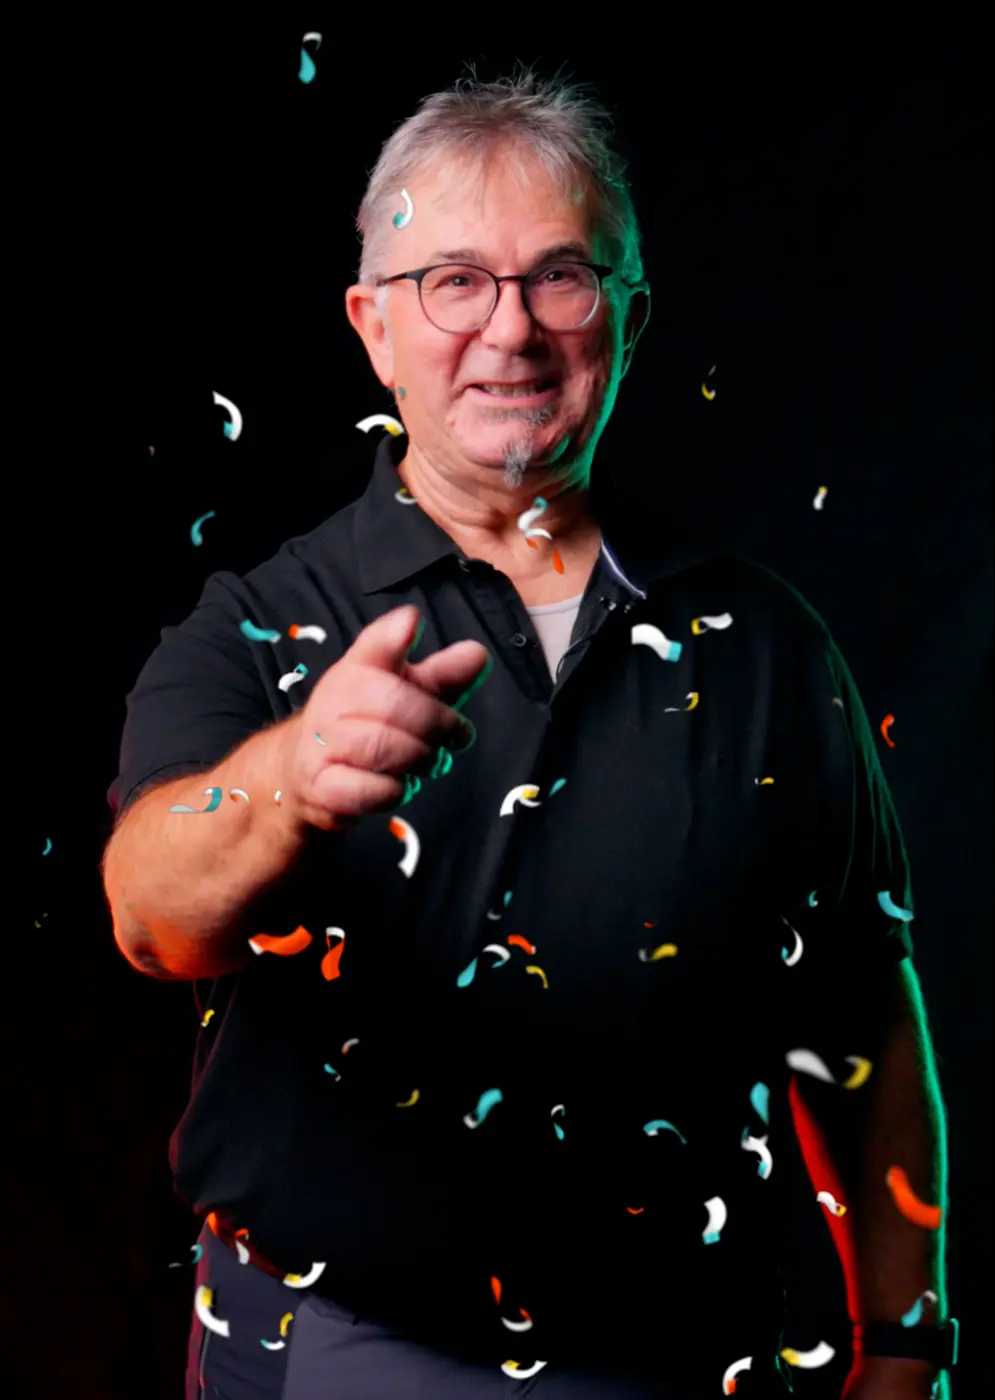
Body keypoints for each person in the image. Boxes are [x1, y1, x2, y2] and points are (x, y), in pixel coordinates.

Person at [103, 69, 955, 1400]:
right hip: (337, 1350)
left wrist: (906, 1343)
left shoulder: (766, 647)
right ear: (372, 328)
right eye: (452, 281)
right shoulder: (259, 625)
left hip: (686, 1354)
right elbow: (153, 916)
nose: (508, 333)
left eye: (559, 276)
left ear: (628, 318)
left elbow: (858, 1013)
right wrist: (282, 786)